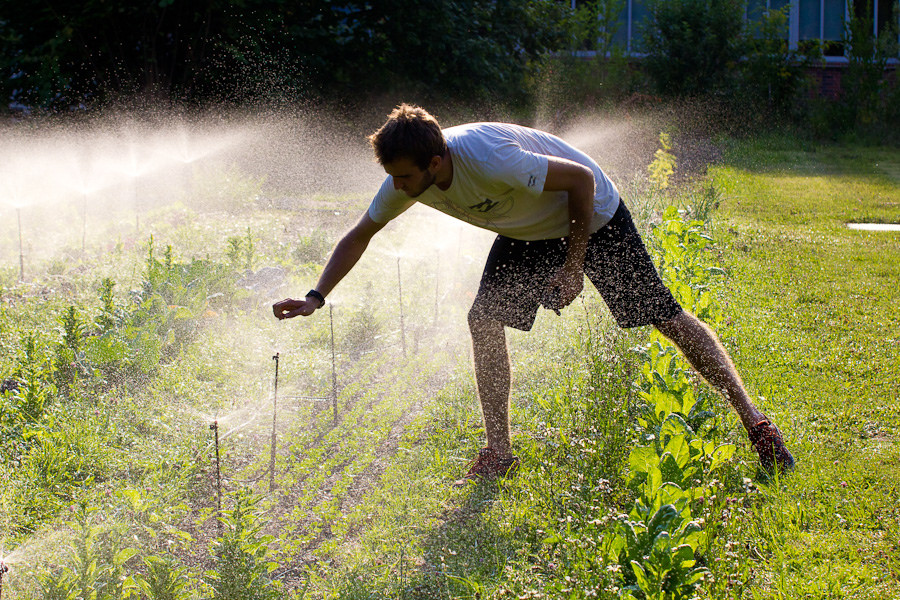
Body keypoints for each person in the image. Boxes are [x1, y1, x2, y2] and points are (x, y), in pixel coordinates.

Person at [272, 104, 795, 484]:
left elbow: (582, 181)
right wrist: (317, 296)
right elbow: (359, 235)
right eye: (392, 177)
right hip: (528, 231)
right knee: (484, 319)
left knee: (661, 315)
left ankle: (756, 423)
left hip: (596, 215)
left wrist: (574, 265)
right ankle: (498, 451)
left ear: (435, 162)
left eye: (405, 177)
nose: (398, 188)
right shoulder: (404, 179)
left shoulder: (490, 158)